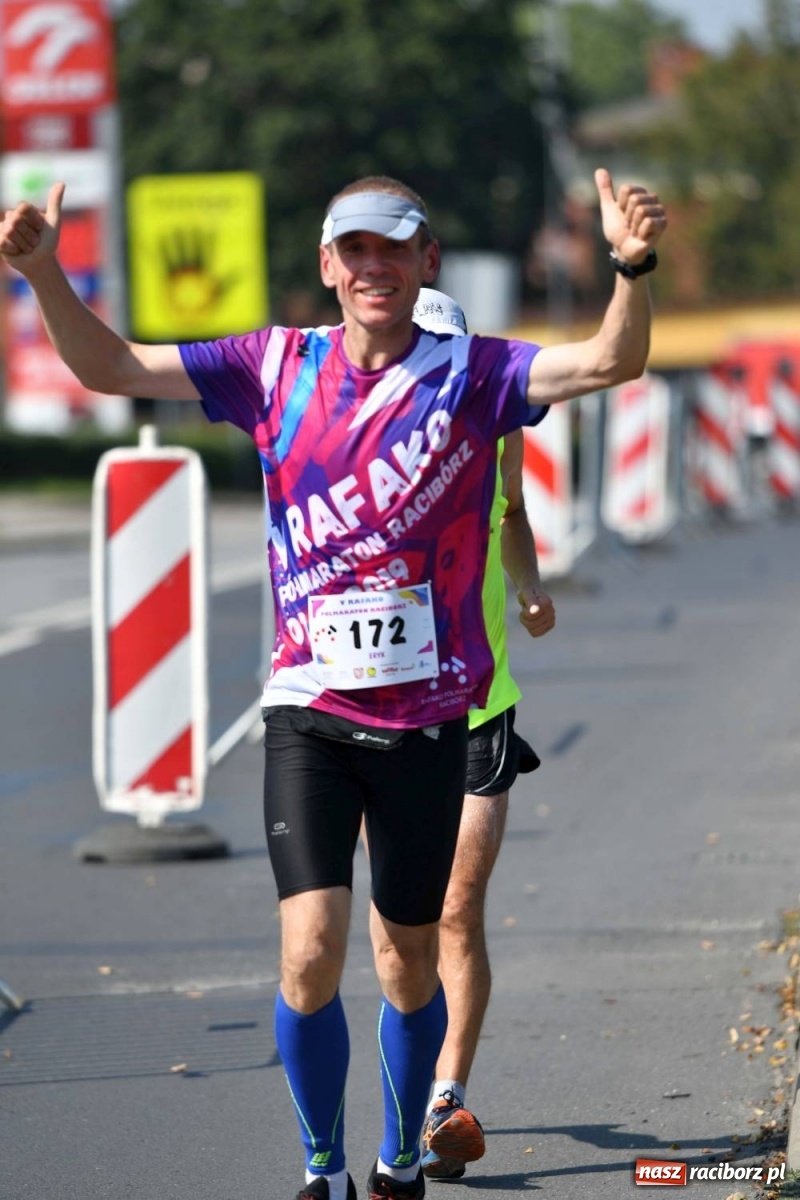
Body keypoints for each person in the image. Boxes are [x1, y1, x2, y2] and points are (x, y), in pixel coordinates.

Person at [0, 169, 666, 1200]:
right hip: (309, 711)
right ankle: (323, 1168)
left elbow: (610, 360)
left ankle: (399, 1156)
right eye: (354, 250)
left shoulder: (474, 373)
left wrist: (630, 266)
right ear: (326, 265)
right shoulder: (272, 366)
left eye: (393, 248)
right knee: (309, 951)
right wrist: (44, 273)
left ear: (425, 261)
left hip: (426, 721)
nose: (373, 267)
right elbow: (114, 366)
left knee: (408, 960)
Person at [410, 289, 555, 1182]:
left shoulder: (497, 427)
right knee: (404, 920)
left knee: (458, 908)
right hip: (386, 712)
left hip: (478, 703)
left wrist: (529, 585)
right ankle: (406, 1089)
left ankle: (444, 1097)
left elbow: (514, 513)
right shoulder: (362, 445)